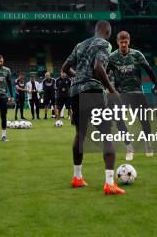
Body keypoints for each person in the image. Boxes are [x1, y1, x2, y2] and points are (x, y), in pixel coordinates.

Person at [62, 20, 124, 195]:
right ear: (108, 32)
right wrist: (111, 90)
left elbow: (65, 68)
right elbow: (98, 68)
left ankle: (77, 177)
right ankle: (109, 183)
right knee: (106, 136)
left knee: (79, 135)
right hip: (93, 93)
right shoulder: (104, 44)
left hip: (75, 93)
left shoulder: (80, 45)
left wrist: (80, 76)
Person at [106, 31, 157, 160]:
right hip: (120, 94)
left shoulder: (137, 54)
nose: (123, 44)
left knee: (144, 120)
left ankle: (148, 144)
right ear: (117, 42)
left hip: (137, 92)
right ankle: (129, 147)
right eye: (121, 41)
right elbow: (105, 73)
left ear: (129, 41)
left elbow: (149, 70)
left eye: (125, 41)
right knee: (119, 120)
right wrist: (108, 88)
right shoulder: (112, 57)